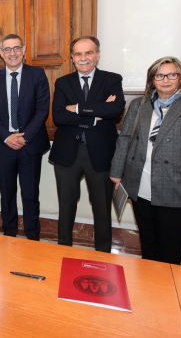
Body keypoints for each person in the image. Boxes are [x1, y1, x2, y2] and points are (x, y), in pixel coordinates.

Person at [110, 57, 181, 264]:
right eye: (160, 75)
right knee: (149, 245)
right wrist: (116, 172)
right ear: (152, 80)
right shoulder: (139, 105)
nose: (166, 80)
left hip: (178, 188)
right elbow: (125, 138)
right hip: (141, 186)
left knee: (170, 249)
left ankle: (168, 291)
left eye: (172, 75)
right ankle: (151, 288)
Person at [49, 36, 125, 252]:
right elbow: (59, 117)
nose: (84, 58)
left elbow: (114, 110)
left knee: (102, 207)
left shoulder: (112, 80)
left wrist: (78, 109)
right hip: (67, 153)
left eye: (89, 53)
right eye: (78, 54)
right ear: (72, 58)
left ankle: (103, 253)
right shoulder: (63, 82)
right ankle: (64, 249)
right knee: (66, 205)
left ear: (97, 55)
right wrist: (95, 112)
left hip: (100, 153)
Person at [0, 34, 50, 240]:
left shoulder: (37, 75)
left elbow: (42, 110)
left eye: (16, 48)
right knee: (7, 194)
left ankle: (32, 238)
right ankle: (9, 235)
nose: (12, 53)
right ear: (1, 53)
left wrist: (25, 136)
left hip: (30, 145)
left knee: (30, 195)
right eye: (7, 49)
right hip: (4, 146)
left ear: (23, 50)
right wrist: (6, 137)